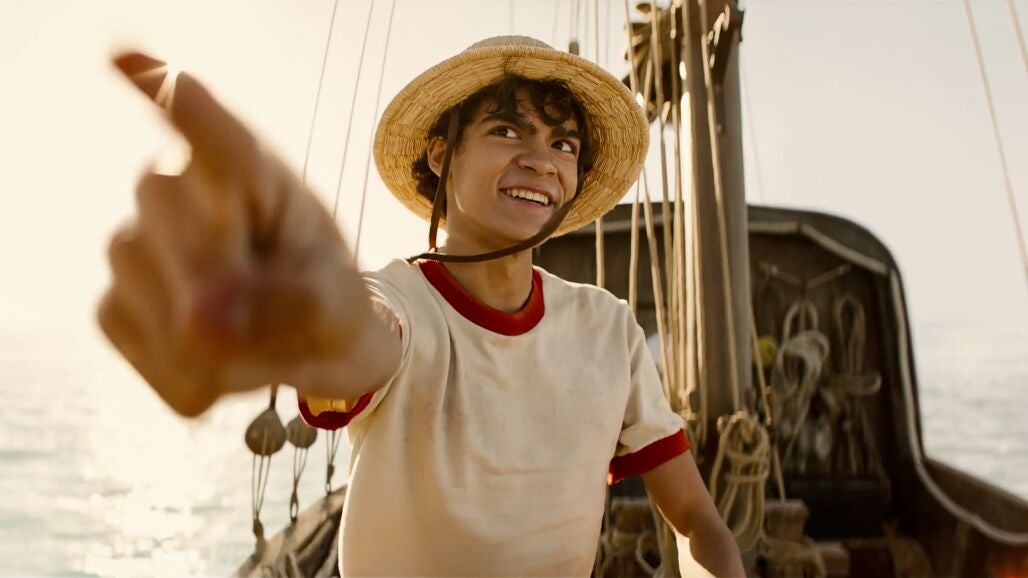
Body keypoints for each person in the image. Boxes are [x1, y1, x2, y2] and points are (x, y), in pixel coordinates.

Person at [100, 36, 745, 577]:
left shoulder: (608, 329)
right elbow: (364, 340)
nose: (541, 161)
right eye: (507, 131)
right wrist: (317, 321)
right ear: (441, 154)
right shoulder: (396, 301)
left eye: (564, 145)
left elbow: (695, 520)